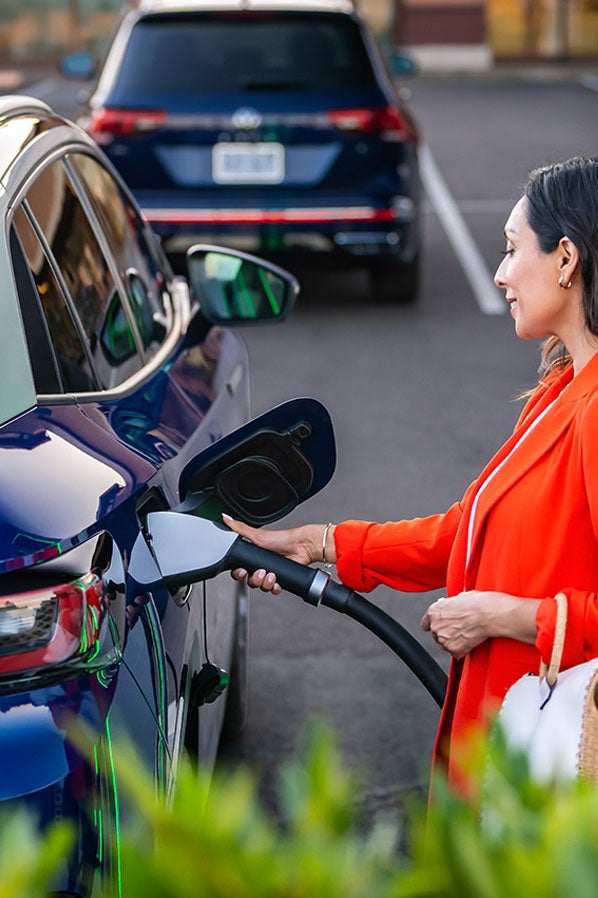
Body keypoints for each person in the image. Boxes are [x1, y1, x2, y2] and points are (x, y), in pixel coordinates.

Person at [223, 156, 598, 788]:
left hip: (552, 771)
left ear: (566, 259)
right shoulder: (561, 389)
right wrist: (317, 544)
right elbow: (469, 534)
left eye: (512, 250)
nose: (502, 273)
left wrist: (504, 616)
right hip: (513, 751)